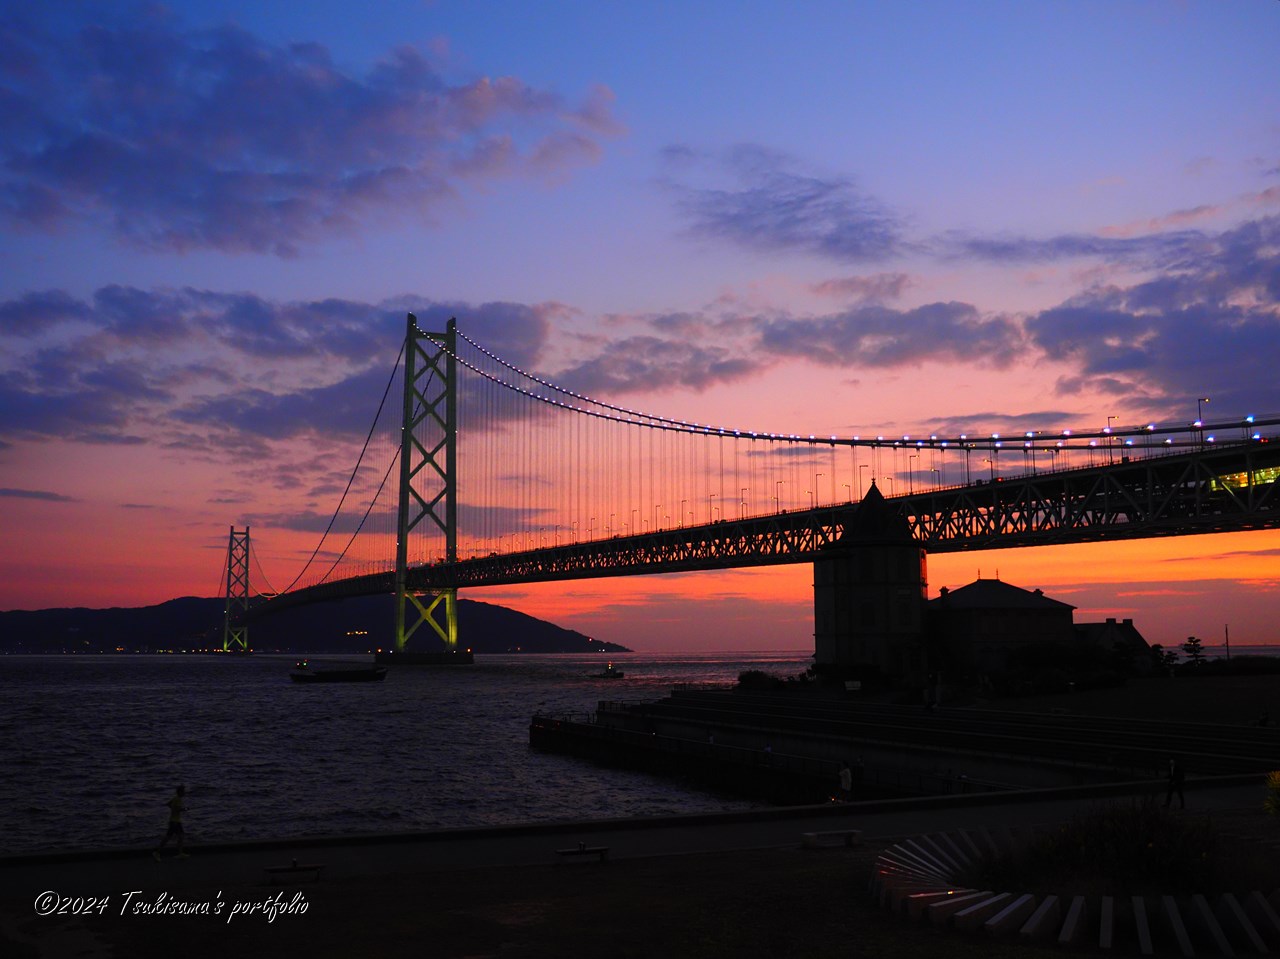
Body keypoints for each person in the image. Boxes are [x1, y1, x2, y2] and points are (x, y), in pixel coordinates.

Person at [152, 784, 189, 860]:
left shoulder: (175, 798)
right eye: (184, 791)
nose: (185, 793)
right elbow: (178, 810)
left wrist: (172, 809)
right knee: (168, 837)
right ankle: (157, 852)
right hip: (175, 822)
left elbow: (168, 804)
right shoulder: (178, 799)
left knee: (180, 837)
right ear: (180, 792)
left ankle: (180, 853)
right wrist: (185, 809)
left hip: (174, 821)